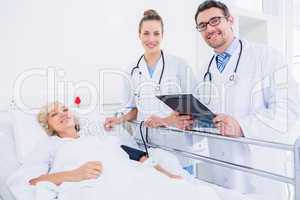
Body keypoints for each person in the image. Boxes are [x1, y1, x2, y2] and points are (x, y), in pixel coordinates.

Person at [151, 0, 300, 198]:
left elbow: (289, 109)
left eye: (215, 20)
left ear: (230, 20)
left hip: (260, 174)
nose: (209, 29)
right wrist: (187, 122)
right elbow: (208, 120)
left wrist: (241, 126)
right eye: (202, 26)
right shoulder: (204, 70)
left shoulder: (267, 57)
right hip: (221, 173)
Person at [8, 102, 221, 200]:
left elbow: (139, 158)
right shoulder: (51, 145)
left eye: (65, 109)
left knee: (179, 192)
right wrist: (75, 175)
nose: (62, 114)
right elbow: (32, 182)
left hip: (126, 174)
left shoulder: (99, 139)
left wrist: (169, 175)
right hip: (89, 184)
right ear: (49, 126)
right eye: (55, 114)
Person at [104, 9, 195, 172]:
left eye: (156, 33)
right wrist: (118, 120)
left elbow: (192, 109)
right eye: (146, 33)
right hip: (146, 149)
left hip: (177, 150)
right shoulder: (131, 70)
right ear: (139, 35)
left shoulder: (179, 65)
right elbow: (134, 109)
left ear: (162, 35)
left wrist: (164, 121)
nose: (151, 39)